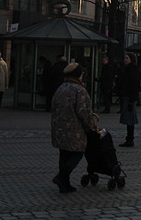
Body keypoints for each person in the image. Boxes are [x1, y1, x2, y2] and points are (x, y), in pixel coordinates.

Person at [50, 63, 99, 193]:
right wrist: (90, 127)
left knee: (64, 153)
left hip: (59, 128)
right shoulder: (79, 90)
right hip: (74, 129)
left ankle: (64, 184)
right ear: (78, 75)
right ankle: (62, 177)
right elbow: (83, 112)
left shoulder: (61, 88)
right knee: (78, 152)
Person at [117, 52, 140, 147]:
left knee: (130, 119)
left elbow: (134, 86)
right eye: (125, 58)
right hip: (126, 96)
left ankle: (130, 139)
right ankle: (129, 138)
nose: (125, 59)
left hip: (129, 97)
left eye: (127, 58)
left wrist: (132, 100)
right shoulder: (126, 69)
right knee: (128, 119)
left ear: (131, 59)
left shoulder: (132, 70)